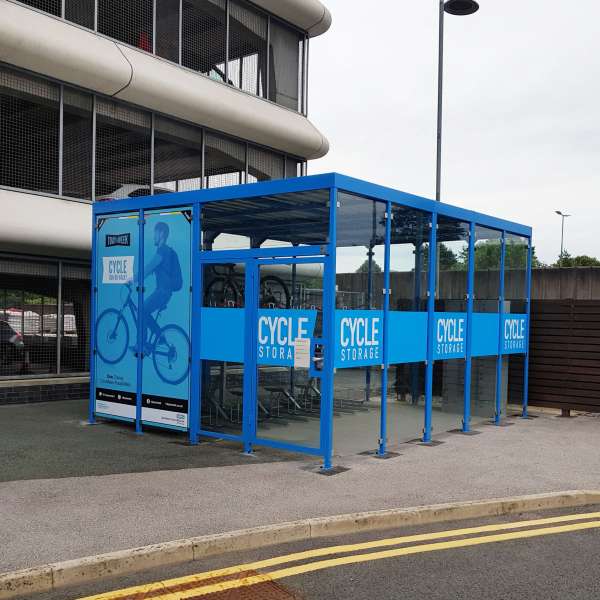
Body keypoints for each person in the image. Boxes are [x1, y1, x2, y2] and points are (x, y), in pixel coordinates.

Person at [142, 221, 182, 353]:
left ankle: (143, 345)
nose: (153, 236)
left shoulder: (163, 251)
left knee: (142, 311)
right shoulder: (166, 251)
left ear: (161, 234)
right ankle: (159, 337)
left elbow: (149, 268)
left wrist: (132, 279)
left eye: (155, 233)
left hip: (163, 292)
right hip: (163, 292)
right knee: (144, 311)